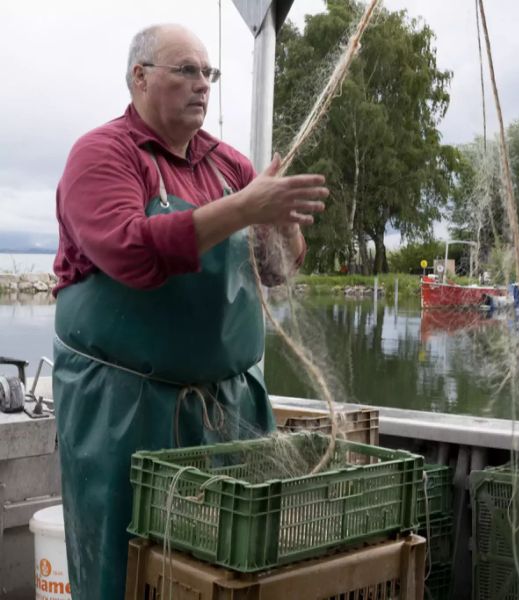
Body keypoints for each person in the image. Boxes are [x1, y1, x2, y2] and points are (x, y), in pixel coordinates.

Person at [51, 24, 327, 599]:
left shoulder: (229, 167)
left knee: (231, 565)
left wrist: (279, 222)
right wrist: (244, 207)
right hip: (122, 410)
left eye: (209, 73)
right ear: (140, 77)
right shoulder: (102, 155)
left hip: (230, 408)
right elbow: (130, 250)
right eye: (186, 71)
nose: (203, 85)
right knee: (124, 563)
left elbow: (277, 270)